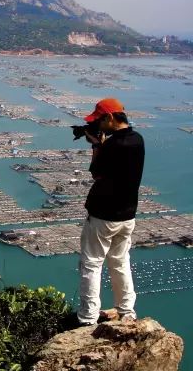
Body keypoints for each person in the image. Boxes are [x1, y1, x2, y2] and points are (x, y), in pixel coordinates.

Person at [78, 97, 145, 325]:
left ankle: (87, 318)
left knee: (92, 263)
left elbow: (96, 174)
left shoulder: (112, 145)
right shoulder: (138, 140)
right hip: (127, 215)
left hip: (103, 215)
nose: (98, 124)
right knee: (120, 261)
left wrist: (97, 145)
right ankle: (127, 311)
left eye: (99, 119)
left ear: (109, 117)